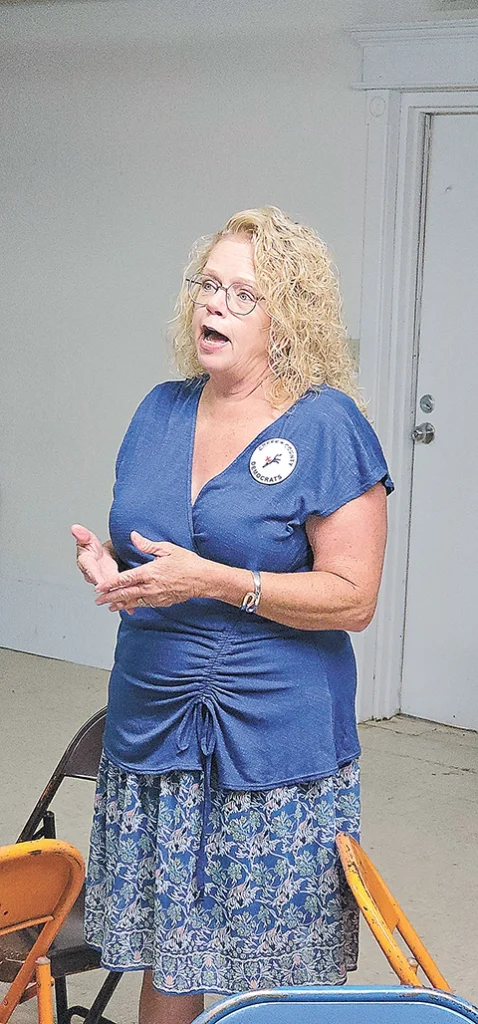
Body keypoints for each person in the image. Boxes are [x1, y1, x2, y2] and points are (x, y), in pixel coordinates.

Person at [72, 206, 393, 1024]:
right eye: (208, 284)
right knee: (173, 952)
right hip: (154, 725)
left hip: (273, 740)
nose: (213, 304)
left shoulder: (326, 426)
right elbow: (153, 550)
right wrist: (117, 576)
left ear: (287, 317)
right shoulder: (160, 410)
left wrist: (215, 580)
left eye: (243, 294)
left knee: (274, 965)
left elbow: (353, 598)